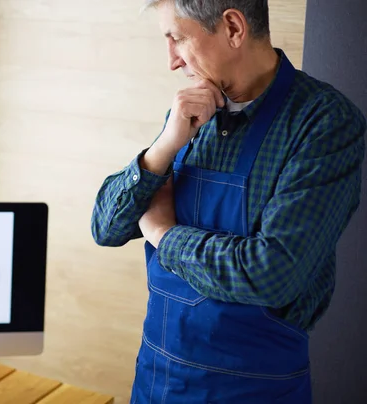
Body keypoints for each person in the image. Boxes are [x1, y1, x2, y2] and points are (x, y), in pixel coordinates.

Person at [90, 0, 366, 403]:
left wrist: (164, 236)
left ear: (234, 28)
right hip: (156, 381)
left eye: (178, 38)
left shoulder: (324, 123)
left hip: (254, 390)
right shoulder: (189, 115)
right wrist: (162, 148)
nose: (171, 61)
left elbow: (272, 273)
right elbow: (105, 228)